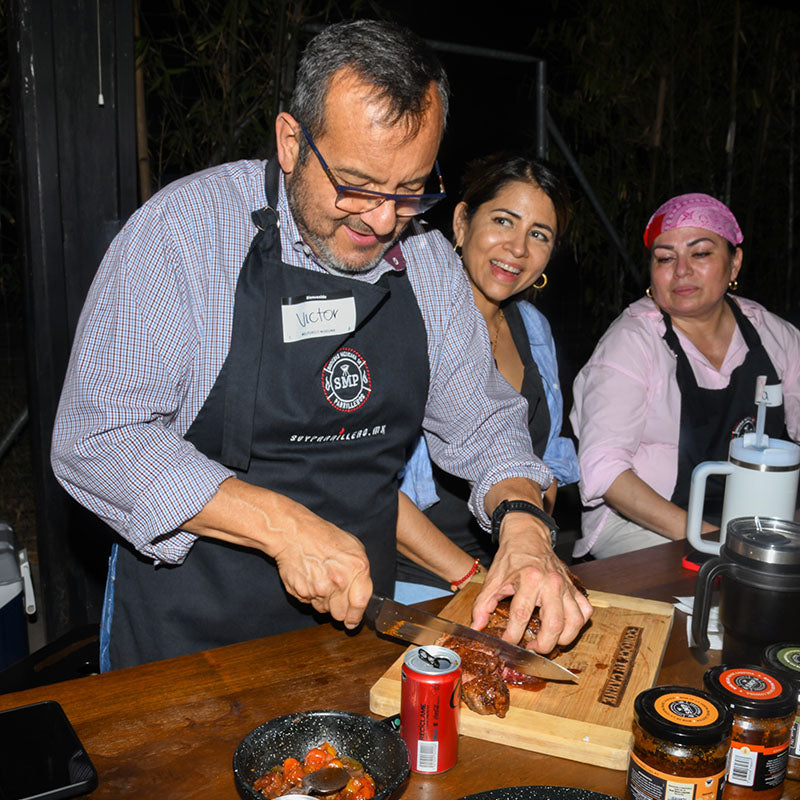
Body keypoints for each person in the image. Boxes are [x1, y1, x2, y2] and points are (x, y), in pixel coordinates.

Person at [51, 20, 592, 669]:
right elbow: (97, 438)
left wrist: (525, 528)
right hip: (188, 638)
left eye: (411, 189)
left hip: (357, 632)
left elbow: (484, 423)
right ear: (290, 141)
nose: (383, 219)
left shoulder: (426, 261)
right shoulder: (183, 235)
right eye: (357, 185)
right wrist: (282, 526)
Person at [571, 193, 800, 558]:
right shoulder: (630, 342)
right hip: (642, 524)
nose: (681, 271)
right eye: (665, 258)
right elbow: (603, 470)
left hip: (750, 522)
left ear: (735, 262)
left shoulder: (773, 335)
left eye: (701, 253)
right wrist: (714, 538)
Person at [395, 153, 579, 602]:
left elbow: (548, 466)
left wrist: (532, 551)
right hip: (413, 577)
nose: (518, 248)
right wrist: (475, 579)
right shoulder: (404, 317)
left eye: (539, 234)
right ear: (461, 222)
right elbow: (366, 485)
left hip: (511, 569)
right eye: (503, 221)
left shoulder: (534, 329)